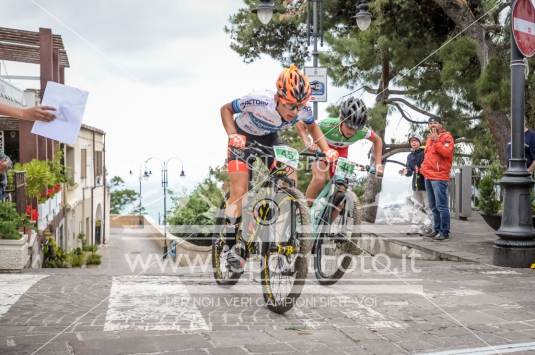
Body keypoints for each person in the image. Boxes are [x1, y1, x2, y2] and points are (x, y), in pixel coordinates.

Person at [219, 64, 338, 270]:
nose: (295, 112)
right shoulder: (258, 100)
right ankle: (230, 244)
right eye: (290, 106)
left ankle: (280, 237)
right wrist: (232, 135)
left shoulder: (302, 110)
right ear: (278, 98)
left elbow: (312, 126)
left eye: (299, 107)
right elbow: (226, 109)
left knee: (289, 178)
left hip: (270, 139)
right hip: (243, 138)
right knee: (239, 191)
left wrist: (326, 149)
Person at [296, 97, 383, 206]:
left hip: (341, 153)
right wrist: (307, 140)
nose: (352, 132)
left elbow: (378, 140)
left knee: (341, 191)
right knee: (319, 179)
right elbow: (300, 124)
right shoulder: (327, 124)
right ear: (341, 120)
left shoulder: (363, 132)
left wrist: (378, 163)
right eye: (349, 127)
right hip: (323, 149)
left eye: (356, 129)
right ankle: (304, 211)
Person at [420, 117, 455, 241]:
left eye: (435, 122)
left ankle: (444, 231)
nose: (432, 124)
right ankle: (437, 229)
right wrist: (422, 169)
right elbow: (428, 156)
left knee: (441, 206)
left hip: (439, 176)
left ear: (441, 124)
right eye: (429, 123)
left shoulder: (447, 137)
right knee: (433, 206)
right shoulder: (429, 138)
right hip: (428, 176)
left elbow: (447, 153)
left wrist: (437, 141)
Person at [399, 135, 426, 207]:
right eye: (411, 141)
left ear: (420, 142)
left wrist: (419, 169)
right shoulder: (409, 156)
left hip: (426, 183)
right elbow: (409, 170)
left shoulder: (424, 152)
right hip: (415, 185)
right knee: (418, 207)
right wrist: (406, 171)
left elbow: (427, 166)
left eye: (416, 140)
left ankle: (431, 218)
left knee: (428, 207)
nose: (413, 142)